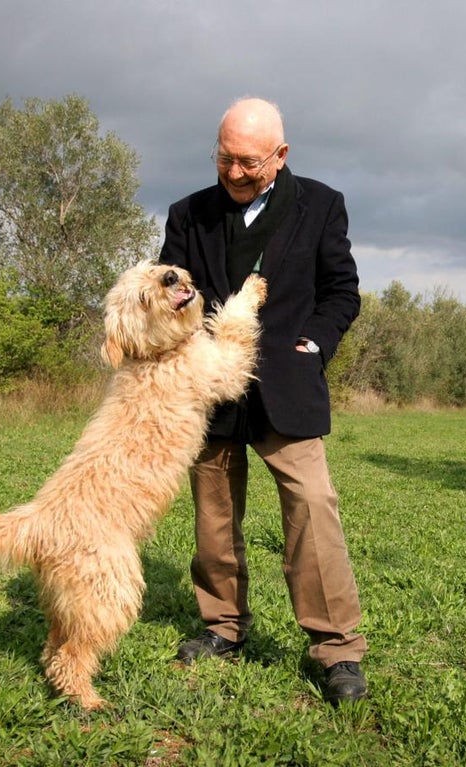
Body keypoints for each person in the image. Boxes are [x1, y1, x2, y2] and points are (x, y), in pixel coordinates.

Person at [158, 97, 368, 704]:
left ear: (281, 155)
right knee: (213, 515)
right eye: (225, 158)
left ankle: (336, 651)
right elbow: (171, 294)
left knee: (312, 506)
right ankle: (222, 628)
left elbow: (341, 291)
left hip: (288, 387)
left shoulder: (322, 205)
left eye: (248, 161)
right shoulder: (187, 213)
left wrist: (315, 343)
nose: (235, 172)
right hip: (208, 387)